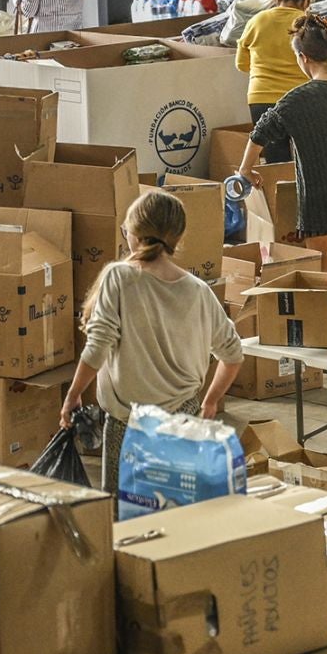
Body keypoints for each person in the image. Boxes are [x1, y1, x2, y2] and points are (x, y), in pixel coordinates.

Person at [60, 191, 245, 494]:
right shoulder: (199, 291)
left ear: (134, 234)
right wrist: (211, 401)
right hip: (183, 417)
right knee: (172, 505)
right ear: (177, 237)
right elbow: (233, 355)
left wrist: (73, 395)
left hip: (127, 422)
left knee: (125, 513)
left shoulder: (119, 277)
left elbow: (97, 347)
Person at [234, 14, 327, 271]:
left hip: (323, 195)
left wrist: (245, 170)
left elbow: (259, 133)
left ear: (304, 58)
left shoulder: (295, 100)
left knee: (325, 275)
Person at [236, 0, 316, 165]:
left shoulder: (256, 21)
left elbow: (241, 64)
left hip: (261, 99)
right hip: (301, 98)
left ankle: (277, 195)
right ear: (305, 0)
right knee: (307, 161)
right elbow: (325, 65)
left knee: (276, 163)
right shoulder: (308, 24)